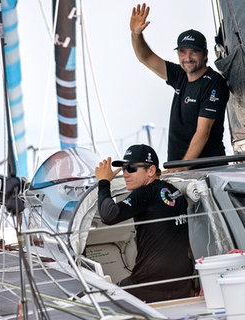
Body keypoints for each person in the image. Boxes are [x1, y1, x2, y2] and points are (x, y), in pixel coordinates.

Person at [130, 3, 229, 171]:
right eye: (182, 52)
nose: (187, 58)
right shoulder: (180, 75)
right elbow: (145, 57)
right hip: (180, 169)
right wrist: (135, 34)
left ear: (205, 55)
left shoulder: (213, 82)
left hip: (208, 171)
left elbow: (203, 132)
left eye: (193, 52)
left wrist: (183, 167)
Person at [95, 144, 194, 302]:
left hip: (148, 284)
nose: (125, 174)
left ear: (151, 171)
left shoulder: (145, 192)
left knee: (102, 299)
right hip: (181, 284)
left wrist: (104, 182)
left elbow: (109, 215)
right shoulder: (175, 193)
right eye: (123, 168)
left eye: (132, 168)